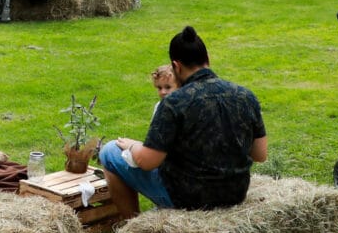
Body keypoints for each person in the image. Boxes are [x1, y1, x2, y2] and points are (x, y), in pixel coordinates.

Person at [98, 26, 268, 220]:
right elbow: (260, 154)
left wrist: (133, 146)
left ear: (176, 66)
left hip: (187, 197)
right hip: (235, 193)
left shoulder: (174, 103)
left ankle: (128, 232)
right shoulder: (245, 96)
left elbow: (147, 161)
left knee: (109, 151)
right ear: (207, 60)